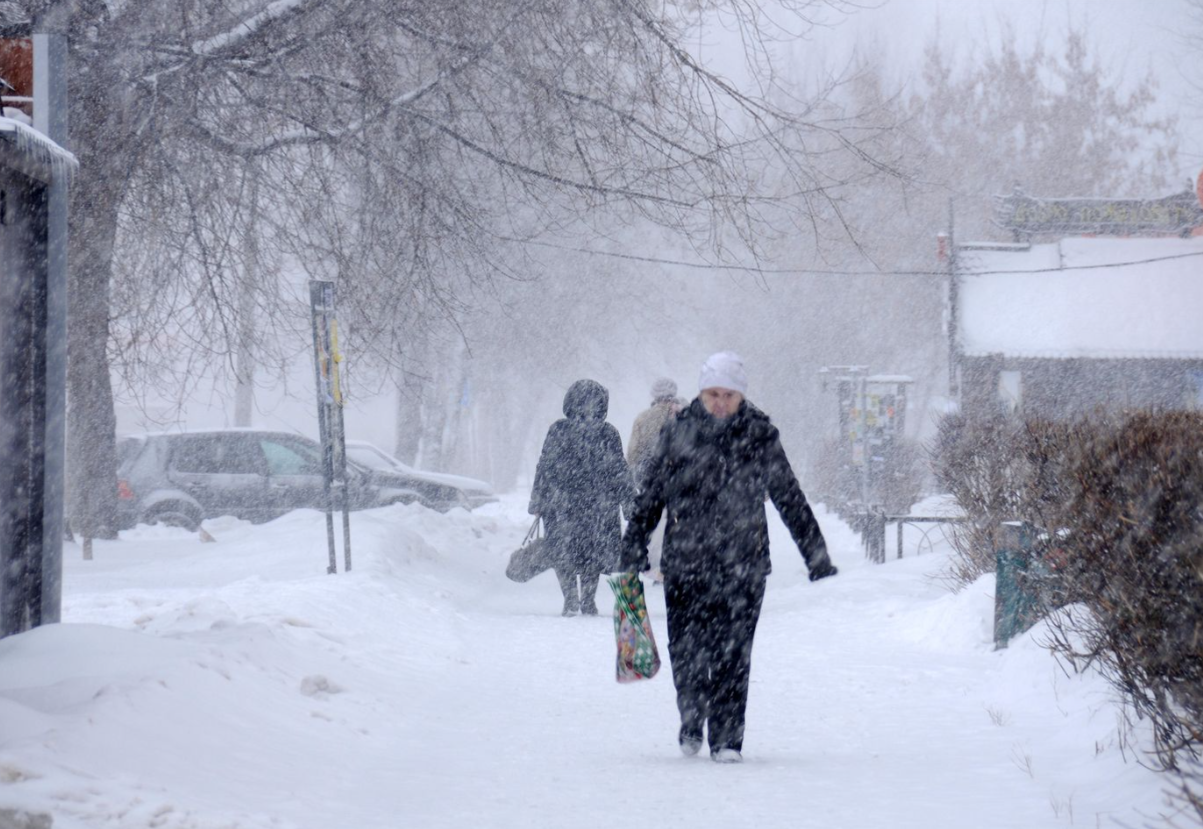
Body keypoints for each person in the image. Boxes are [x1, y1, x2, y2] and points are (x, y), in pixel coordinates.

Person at [620, 351, 838, 763]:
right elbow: (651, 496)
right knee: (685, 650)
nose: (720, 402)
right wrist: (632, 546)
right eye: (713, 393)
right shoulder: (678, 433)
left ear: (742, 395)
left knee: (734, 655)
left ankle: (726, 740)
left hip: (744, 565)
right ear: (701, 393)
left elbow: (788, 496)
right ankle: (691, 717)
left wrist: (816, 555)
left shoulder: (759, 435)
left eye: (729, 395)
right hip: (685, 564)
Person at [530, 379, 635, 617]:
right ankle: (583, 599)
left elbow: (545, 467)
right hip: (595, 504)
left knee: (568, 551)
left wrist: (538, 500)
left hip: (567, 504)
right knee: (589, 553)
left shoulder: (560, 430)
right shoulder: (605, 432)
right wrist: (628, 502)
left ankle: (575, 599)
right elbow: (620, 470)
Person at [626, 377, 683, 581]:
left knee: (655, 525)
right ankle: (672, 566)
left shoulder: (643, 418)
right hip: (681, 479)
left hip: (652, 480)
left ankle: (657, 567)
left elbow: (633, 455)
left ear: (654, 395)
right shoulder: (685, 415)